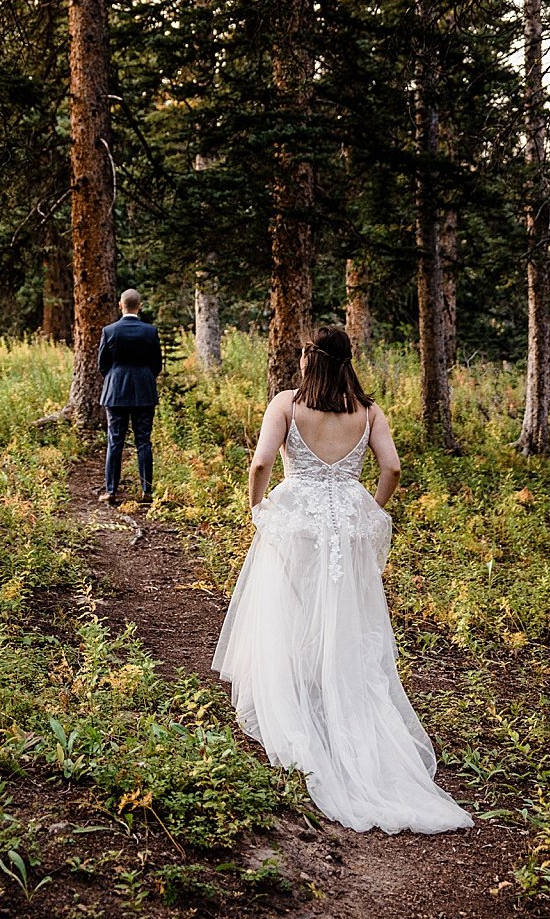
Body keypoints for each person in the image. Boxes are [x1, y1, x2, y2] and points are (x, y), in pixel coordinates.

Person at [212, 325, 472, 834]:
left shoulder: (286, 404)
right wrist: (369, 511)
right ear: (348, 362)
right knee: (344, 609)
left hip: (299, 519)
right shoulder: (369, 412)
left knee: (292, 605)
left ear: (310, 359)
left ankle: (298, 694)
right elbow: (392, 468)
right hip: (346, 520)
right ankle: (335, 688)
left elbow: (262, 460)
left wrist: (257, 509)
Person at [96, 288, 162, 504]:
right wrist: (144, 378)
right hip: (144, 391)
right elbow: (156, 364)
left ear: (120, 305)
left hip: (115, 392)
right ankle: (147, 491)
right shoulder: (150, 331)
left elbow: (102, 364)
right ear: (139, 306)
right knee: (143, 441)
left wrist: (115, 378)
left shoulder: (110, 331)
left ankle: (111, 491)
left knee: (115, 440)